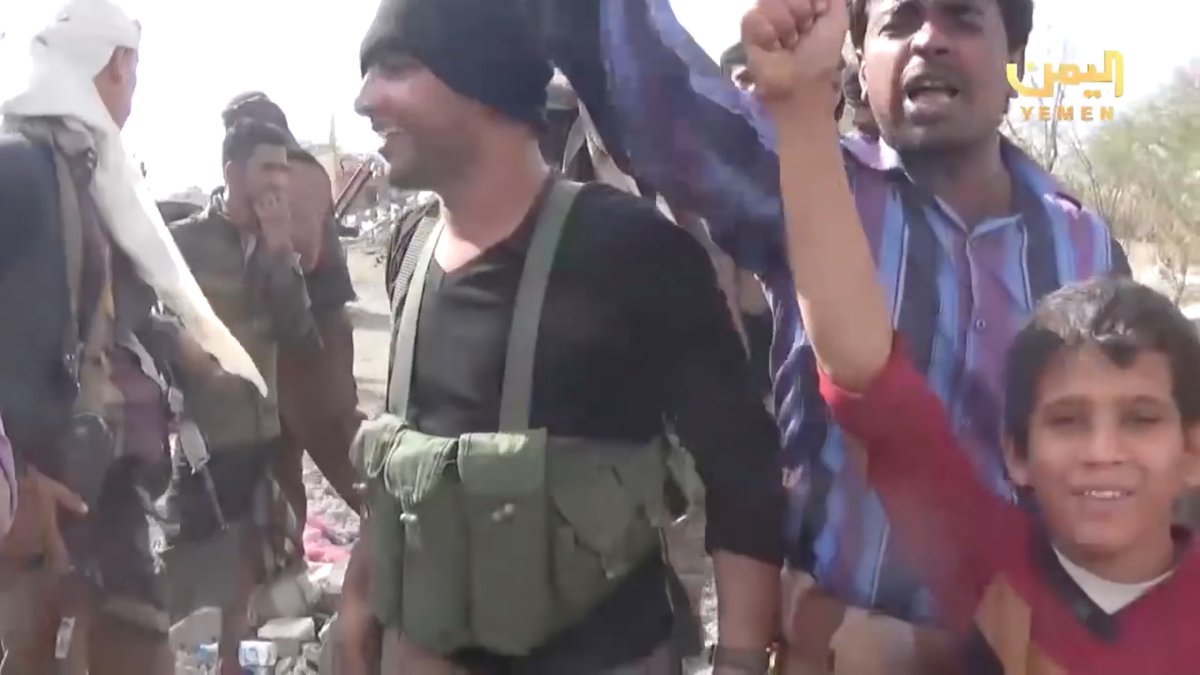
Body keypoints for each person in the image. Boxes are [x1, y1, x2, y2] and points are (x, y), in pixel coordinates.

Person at [545, 0, 1132, 672]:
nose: (929, 40)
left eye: (962, 18)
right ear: (858, 56)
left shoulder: (1087, 252)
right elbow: (659, 98)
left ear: (1014, 61)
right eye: (899, 21)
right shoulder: (805, 185)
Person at [747, 2, 1200, 672]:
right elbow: (867, 378)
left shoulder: (1084, 242)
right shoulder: (989, 554)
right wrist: (802, 110)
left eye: (1139, 419)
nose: (1103, 450)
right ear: (1016, 452)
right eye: (1068, 421)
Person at [338, 0, 785, 673]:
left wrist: (743, 659)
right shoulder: (408, 249)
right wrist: (358, 606)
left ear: (482, 80)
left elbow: (741, 472)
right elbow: (399, 459)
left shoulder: (633, 253)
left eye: (395, 67)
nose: (366, 97)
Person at [0, 1, 264, 673]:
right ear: (117, 66)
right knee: (38, 648)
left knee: (135, 643)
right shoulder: (22, 169)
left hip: (105, 478)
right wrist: (11, 479)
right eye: (134, 70)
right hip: (40, 488)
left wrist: (193, 357)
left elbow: (117, 317)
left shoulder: (93, 175)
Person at [168, 119, 316, 675]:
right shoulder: (186, 243)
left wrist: (281, 254)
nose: (279, 181)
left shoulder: (276, 247)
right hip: (205, 437)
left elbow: (298, 332)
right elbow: (149, 318)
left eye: (284, 168)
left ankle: (230, 664)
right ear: (232, 173)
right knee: (181, 575)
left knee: (246, 567)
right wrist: (183, 355)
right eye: (267, 168)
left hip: (261, 431)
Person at [219, 91, 365, 524]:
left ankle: (407, 549)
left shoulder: (297, 173)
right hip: (280, 341)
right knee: (281, 468)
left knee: (344, 454)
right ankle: (288, 571)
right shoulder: (288, 173)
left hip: (314, 334)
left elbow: (306, 251)